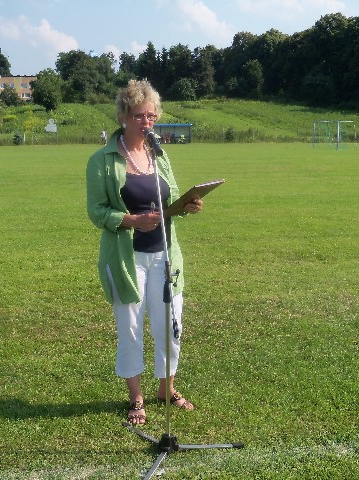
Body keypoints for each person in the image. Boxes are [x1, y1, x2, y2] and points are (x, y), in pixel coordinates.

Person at [86, 79, 203, 426]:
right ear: (124, 116)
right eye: (139, 115)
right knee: (131, 329)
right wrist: (132, 220)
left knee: (170, 326)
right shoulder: (102, 160)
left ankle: (167, 389)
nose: (146, 122)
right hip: (127, 260)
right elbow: (96, 211)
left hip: (165, 257)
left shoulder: (158, 155)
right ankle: (136, 397)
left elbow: (172, 197)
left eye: (151, 116)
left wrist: (186, 205)